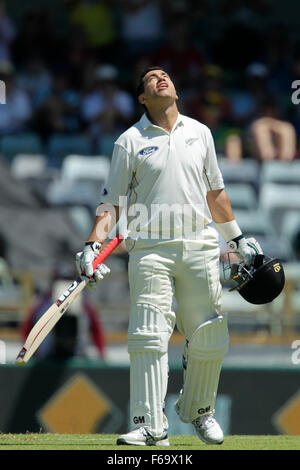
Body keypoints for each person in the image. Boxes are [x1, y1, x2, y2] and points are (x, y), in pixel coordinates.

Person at [76, 66, 263, 446]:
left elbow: (216, 194)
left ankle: (198, 412)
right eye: (150, 78)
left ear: (175, 89)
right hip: (151, 250)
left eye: (166, 76)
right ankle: (150, 425)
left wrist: (237, 239)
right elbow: (111, 202)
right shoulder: (129, 141)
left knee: (208, 335)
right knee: (148, 334)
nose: (161, 79)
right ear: (143, 97)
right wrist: (92, 246)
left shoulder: (201, 133)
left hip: (199, 245)